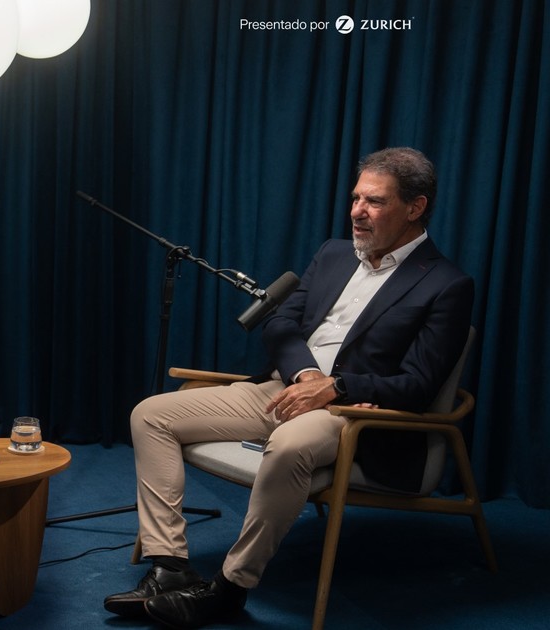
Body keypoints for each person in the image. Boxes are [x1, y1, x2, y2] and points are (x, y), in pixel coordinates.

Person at [103, 147, 473, 627]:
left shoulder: (446, 284)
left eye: (375, 201)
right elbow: (280, 324)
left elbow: (419, 384)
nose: (357, 211)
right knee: (151, 413)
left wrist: (335, 388)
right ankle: (169, 566)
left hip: (350, 412)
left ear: (415, 207)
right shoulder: (334, 253)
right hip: (285, 386)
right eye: (356, 198)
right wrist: (307, 376)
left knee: (289, 445)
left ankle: (230, 588)